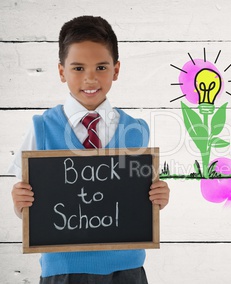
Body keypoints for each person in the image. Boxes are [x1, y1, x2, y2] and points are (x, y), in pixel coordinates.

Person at [9, 15, 170, 284]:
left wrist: (158, 198)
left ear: (116, 70)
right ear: (62, 71)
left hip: (126, 269)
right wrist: (18, 203)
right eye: (79, 68)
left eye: (101, 67)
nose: (91, 78)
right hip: (63, 269)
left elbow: (137, 199)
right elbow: (25, 201)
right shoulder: (42, 128)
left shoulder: (136, 130)